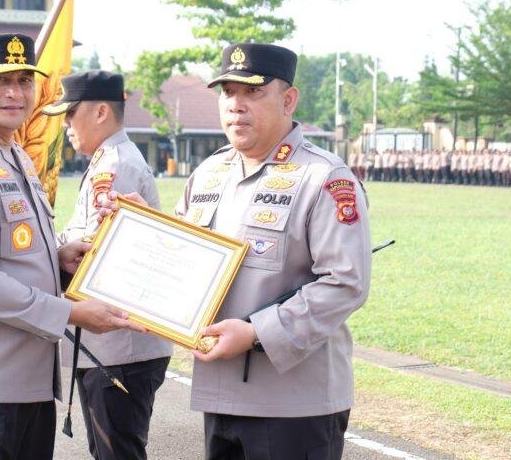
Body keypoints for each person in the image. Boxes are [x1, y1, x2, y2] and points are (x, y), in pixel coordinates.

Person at [103, 43, 371, 459]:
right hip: (219, 393)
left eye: (253, 92)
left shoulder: (323, 178)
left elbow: (345, 283)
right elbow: (183, 259)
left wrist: (257, 333)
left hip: (292, 404)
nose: (236, 106)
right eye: (228, 93)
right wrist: (142, 225)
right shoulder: (210, 173)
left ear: (289, 99)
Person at [0, 33, 142, 460]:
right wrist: (71, 313)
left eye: (25, 80)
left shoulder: (10, 153)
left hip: (25, 388)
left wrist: (57, 259)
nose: (16, 93)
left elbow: (8, 250)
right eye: (1, 81)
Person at [42, 70, 173, 459]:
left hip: (121, 345)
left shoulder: (116, 166)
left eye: (70, 114)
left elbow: (91, 247)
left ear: (100, 112)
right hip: (111, 342)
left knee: (117, 452)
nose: (65, 125)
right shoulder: (107, 160)